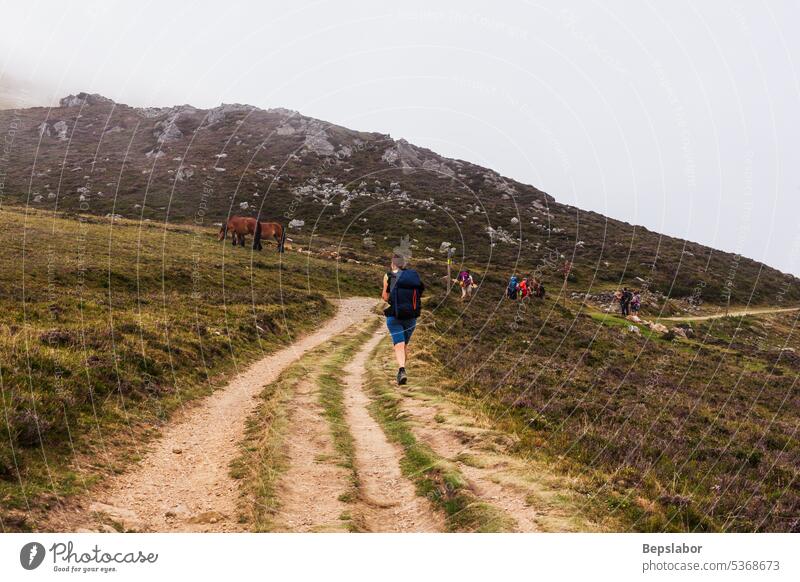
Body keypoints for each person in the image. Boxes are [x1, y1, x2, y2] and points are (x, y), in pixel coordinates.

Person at [382, 253, 425, 385]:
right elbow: (420, 292)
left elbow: (384, 297)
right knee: (404, 345)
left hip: (394, 316)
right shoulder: (414, 276)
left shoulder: (388, 275)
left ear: (393, 263)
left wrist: (394, 299)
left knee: (399, 344)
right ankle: (402, 371)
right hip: (411, 317)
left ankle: (401, 370)